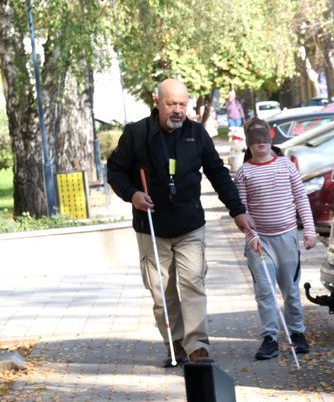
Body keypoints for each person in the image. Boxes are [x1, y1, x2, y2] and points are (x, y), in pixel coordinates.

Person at [107, 78, 255, 366]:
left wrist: (237, 211)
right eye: (171, 104)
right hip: (152, 227)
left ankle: (197, 345)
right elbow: (115, 171)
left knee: (192, 284)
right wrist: (133, 194)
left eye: (182, 105)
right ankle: (174, 345)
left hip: (190, 225)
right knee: (163, 293)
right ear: (157, 101)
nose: (177, 110)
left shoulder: (196, 134)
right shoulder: (136, 134)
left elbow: (218, 173)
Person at [235, 118, 315, 361]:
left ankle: (297, 332)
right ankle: (270, 337)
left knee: (290, 289)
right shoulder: (243, 173)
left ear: (271, 141)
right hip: (261, 242)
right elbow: (242, 209)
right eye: (255, 140)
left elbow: (301, 199)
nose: (260, 144)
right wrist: (251, 237)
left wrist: (309, 230)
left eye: (264, 139)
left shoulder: (286, 166)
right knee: (265, 290)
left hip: (287, 238)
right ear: (249, 144)